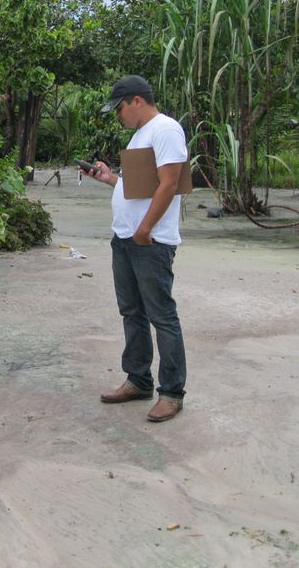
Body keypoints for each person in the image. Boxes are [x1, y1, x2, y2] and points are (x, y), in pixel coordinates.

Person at [83, 75, 188, 422]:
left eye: (120, 108)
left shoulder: (166, 130)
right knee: (132, 312)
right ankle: (138, 379)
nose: (118, 116)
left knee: (162, 316)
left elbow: (170, 183)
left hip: (149, 242)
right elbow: (141, 185)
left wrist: (145, 230)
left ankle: (171, 392)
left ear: (137, 100)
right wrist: (110, 179)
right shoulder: (141, 135)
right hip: (125, 239)